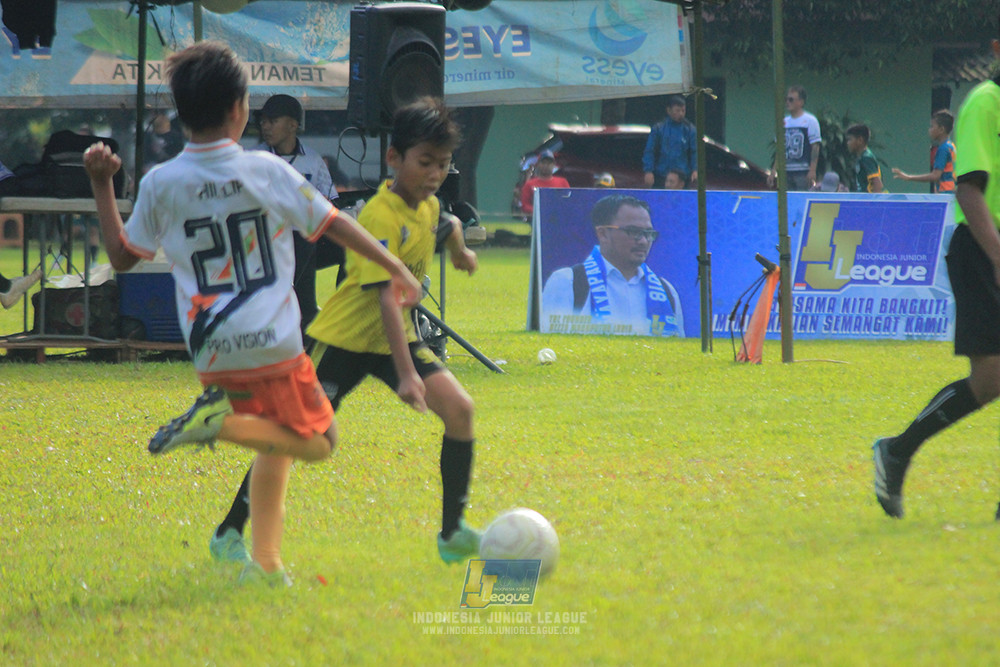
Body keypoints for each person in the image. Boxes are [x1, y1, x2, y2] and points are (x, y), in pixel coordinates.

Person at [83, 41, 422, 584]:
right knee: (319, 441)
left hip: (212, 348)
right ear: (241, 108)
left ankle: (262, 562)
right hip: (274, 339)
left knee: (276, 437)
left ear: (182, 110)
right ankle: (221, 424)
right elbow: (333, 222)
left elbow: (123, 258)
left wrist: (102, 184)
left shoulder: (160, 182)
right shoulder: (266, 169)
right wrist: (395, 264)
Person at [210, 98, 483, 566]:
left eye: (443, 164)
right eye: (425, 162)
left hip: (393, 338)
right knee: (291, 436)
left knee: (460, 410)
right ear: (394, 158)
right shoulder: (379, 215)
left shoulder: (429, 204)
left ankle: (452, 534)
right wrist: (407, 375)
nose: (435, 173)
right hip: (343, 342)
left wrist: (459, 248)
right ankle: (229, 532)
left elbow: (447, 221)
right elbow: (384, 298)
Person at [872, 26, 1000, 520]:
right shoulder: (985, 102)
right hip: (981, 247)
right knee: (989, 378)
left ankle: (898, 452)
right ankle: (898, 450)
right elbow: (969, 191)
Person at [541, 193, 683, 337]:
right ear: (603, 234)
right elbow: (552, 345)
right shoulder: (568, 282)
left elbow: (677, 352)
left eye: (648, 233)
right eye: (633, 232)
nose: (644, 241)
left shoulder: (666, 291)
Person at [256, 93, 334, 342]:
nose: (265, 126)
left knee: (348, 250)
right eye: (263, 121)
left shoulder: (312, 160)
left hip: (306, 240)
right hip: (266, 242)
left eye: (272, 120)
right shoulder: (255, 159)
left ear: (293, 125)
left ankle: (341, 314)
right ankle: (305, 316)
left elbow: (330, 202)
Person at [767, 85, 821, 191]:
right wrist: (774, 170)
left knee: (801, 199)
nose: (787, 102)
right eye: (786, 99)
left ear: (801, 102)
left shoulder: (810, 120)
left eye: (791, 99)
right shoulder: (783, 122)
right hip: (785, 172)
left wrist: (812, 170)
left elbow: (815, 147)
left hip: (803, 171)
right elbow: (780, 148)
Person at [891, 110, 956, 194]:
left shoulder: (943, 149)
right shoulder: (951, 146)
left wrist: (909, 177)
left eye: (932, 126)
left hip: (946, 194)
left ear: (941, 129)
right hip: (952, 192)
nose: (929, 130)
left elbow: (935, 176)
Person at [642, 95, 697, 189]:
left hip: (682, 176)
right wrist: (648, 171)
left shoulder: (690, 129)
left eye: (683, 111)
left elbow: (695, 152)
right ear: (669, 110)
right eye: (677, 110)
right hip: (661, 175)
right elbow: (649, 151)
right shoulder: (659, 129)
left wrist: (695, 170)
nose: (681, 114)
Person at [520, 150, 569, 217]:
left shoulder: (562, 182)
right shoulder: (529, 184)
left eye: (549, 163)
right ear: (538, 164)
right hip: (537, 220)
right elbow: (525, 205)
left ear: (553, 165)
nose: (546, 166)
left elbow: (568, 202)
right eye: (543, 162)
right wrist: (540, 210)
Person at [846, 124, 884, 193]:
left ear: (860, 140)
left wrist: (875, 202)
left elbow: (878, 184)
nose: (848, 143)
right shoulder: (860, 157)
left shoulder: (866, 158)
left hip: (869, 200)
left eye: (850, 139)